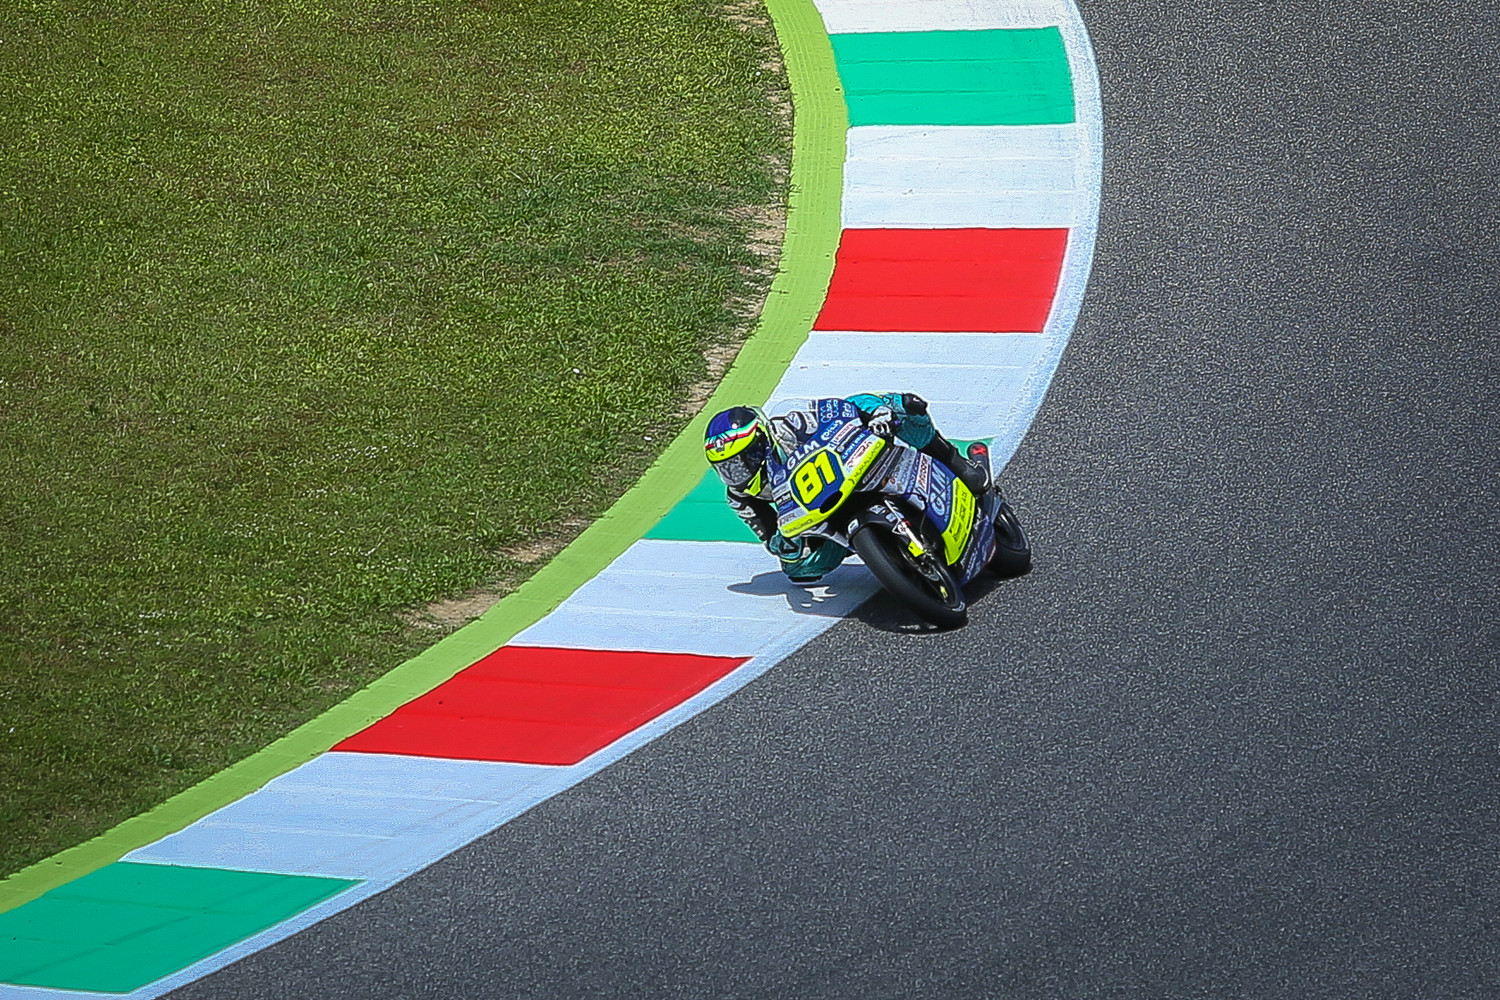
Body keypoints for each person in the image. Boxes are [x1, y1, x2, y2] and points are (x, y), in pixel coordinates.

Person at [703, 393, 990, 583]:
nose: (737, 473)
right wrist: (786, 544)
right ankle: (881, 552)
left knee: (906, 407)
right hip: (816, 512)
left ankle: (957, 463)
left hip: (851, 465)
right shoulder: (740, 497)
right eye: (726, 468)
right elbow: (772, 540)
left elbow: (838, 408)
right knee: (798, 569)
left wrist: (877, 414)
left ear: (761, 442)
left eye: (742, 460)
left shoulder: (789, 427)